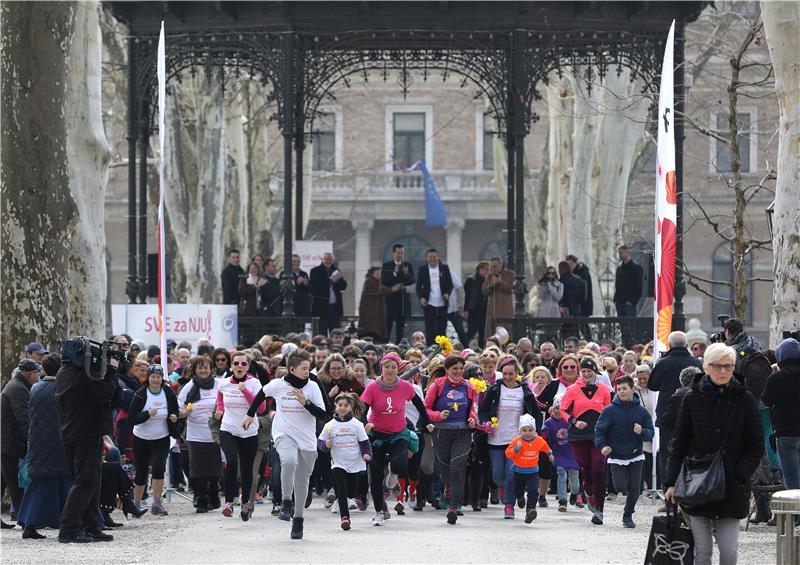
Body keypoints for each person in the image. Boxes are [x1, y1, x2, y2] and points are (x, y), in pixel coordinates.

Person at [664, 343, 763, 565]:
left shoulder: (744, 400)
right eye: (717, 366)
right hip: (697, 484)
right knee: (703, 551)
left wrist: (740, 474)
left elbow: (755, 444)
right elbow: (678, 443)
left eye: (728, 366)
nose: (723, 371)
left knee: (729, 552)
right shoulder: (691, 398)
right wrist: (670, 482)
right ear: (706, 367)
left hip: (731, 486)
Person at [245, 349, 327, 539]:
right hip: (283, 433)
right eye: (304, 369)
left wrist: (306, 403)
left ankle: (298, 519)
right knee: (288, 461)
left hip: (306, 440)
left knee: (301, 481)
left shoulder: (313, 387)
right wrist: (250, 414)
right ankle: (285, 502)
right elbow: (261, 395)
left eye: (308, 368)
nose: (308, 372)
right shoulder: (278, 385)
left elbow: (323, 414)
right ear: (292, 369)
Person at [55, 338, 119, 543]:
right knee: (87, 480)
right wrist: (110, 371)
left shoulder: (65, 371)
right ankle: (69, 529)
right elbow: (103, 395)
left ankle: (92, 525)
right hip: (85, 433)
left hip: (75, 433)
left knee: (92, 480)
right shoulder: (83, 374)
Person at [360, 352, 432, 526]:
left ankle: (393, 472)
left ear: (398, 369)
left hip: (398, 433)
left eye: (393, 367)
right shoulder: (372, 387)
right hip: (377, 434)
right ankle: (379, 512)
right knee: (376, 476)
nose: (390, 370)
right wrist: (364, 424)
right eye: (387, 367)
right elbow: (363, 409)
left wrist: (427, 421)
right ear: (381, 368)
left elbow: (419, 405)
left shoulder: (405, 387)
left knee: (400, 464)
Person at [478, 356, 542, 519]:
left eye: (511, 374)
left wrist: (536, 433)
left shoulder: (525, 391)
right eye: (505, 374)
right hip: (496, 439)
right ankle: (505, 489)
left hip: (516, 440)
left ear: (517, 374)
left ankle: (509, 505)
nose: (507, 377)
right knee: (498, 475)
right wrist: (486, 422)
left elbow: (535, 413)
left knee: (511, 473)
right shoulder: (494, 389)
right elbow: (483, 410)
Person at [15, 354, 71, 539]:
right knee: (63, 484)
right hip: (57, 443)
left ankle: (29, 523)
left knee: (39, 486)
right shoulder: (62, 389)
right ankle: (67, 521)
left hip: (39, 443)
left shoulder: (35, 388)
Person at [594, 376, 654, 528]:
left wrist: (642, 431)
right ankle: (621, 497)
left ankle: (628, 515)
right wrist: (603, 446)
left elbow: (651, 432)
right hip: (616, 455)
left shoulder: (641, 411)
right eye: (618, 389)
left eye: (624, 388)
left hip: (636, 455)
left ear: (632, 390)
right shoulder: (609, 411)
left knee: (635, 489)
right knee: (621, 487)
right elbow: (599, 431)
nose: (621, 392)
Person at [424, 355, 478, 524]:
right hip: (441, 433)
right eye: (454, 369)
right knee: (446, 471)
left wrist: (472, 420)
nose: (458, 372)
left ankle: (454, 507)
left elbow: (472, 410)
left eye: (461, 369)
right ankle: (448, 489)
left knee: (457, 468)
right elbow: (426, 409)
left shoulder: (469, 386)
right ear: (446, 369)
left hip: (462, 433)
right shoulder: (438, 385)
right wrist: (438, 416)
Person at [560, 356, 612, 525]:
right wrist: (574, 422)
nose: (586, 374)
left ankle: (600, 511)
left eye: (589, 371)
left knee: (598, 468)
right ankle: (588, 491)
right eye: (583, 371)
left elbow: (609, 411)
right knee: (585, 467)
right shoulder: (572, 390)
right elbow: (563, 410)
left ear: (595, 372)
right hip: (578, 436)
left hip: (598, 436)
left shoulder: (604, 390)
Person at [216, 351, 265, 521]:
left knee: (246, 469)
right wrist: (220, 409)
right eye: (236, 363)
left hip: (249, 431)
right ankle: (229, 502)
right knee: (231, 462)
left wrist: (245, 392)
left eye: (244, 364)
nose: (239, 367)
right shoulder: (223, 383)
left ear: (248, 366)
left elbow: (261, 408)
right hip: (228, 429)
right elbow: (220, 397)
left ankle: (245, 503)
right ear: (231, 366)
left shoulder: (254, 383)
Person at [648, 331, 703, 480]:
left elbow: (652, 385)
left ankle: (669, 494)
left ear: (670, 345)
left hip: (668, 414)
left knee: (667, 454)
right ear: (686, 345)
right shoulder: (696, 362)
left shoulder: (664, 363)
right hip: (693, 414)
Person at [129, 365, 180, 516]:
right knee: (141, 471)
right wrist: (147, 414)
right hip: (142, 437)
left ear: (162, 378)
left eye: (158, 377)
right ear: (148, 378)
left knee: (159, 466)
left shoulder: (168, 392)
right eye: (153, 377)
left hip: (161, 436)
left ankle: (157, 503)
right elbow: (132, 418)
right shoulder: (141, 394)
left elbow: (175, 410)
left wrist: (174, 416)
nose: (156, 380)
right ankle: (136, 505)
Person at [317, 393, 372, 530]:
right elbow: (320, 442)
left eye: (346, 405)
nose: (342, 408)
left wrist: (367, 454)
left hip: (354, 462)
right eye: (340, 405)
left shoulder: (357, 424)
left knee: (351, 491)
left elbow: (365, 442)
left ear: (351, 407)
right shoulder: (330, 425)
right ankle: (345, 518)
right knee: (341, 490)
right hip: (338, 462)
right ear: (335, 406)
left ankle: (350, 499)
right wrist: (326, 445)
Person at [761, 338, 800, 524]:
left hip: (786, 433)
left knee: (791, 478)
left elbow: (766, 401)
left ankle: (798, 520)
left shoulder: (776, 378)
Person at [176, 355, 222, 513]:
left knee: (215, 467)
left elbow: (227, 401)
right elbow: (178, 410)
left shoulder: (219, 384)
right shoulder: (189, 387)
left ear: (211, 369)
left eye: (206, 367)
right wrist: (185, 412)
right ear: (195, 370)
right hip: (195, 433)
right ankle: (200, 497)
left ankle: (213, 493)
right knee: (197, 468)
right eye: (200, 367)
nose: (203, 370)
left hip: (215, 433)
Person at [1, 358, 37, 525]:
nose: (37, 376)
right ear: (30, 375)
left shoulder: (17, 385)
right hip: (10, 443)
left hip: (7, 441)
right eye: (36, 373)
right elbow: (23, 419)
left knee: (4, 480)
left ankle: (23, 518)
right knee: (14, 483)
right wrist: (32, 439)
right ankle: (24, 519)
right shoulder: (18, 389)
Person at [505, 414, 553, 524]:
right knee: (517, 490)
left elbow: (545, 447)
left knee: (533, 491)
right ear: (520, 431)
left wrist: (550, 454)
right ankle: (520, 498)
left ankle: (530, 510)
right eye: (524, 430)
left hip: (533, 472)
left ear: (535, 431)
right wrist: (516, 449)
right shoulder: (516, 441)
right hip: (518, 471)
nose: (527, 433)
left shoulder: (538, 440)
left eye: (530, 430)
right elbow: (508, 454)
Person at [541, 403, 581, 511]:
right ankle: (562, 501)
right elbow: (543, 437)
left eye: (561, 409)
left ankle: (574, 493)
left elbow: (579, 434)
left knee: (574, 481)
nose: (559, 411)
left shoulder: (571, 421)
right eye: (556, 408)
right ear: (552, 409)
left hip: (572, 454)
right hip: (558, 453)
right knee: (562, 476)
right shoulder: (549, 422)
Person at [415, 248, 453, 345]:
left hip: (442, 302)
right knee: (429, 328)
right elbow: (418, 286)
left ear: (438, 257)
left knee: (442, 327)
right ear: (427, 258)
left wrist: (447, 293)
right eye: (430, 257)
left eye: (434, 257)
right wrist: (421, 298)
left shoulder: (444, 268)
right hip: (429, 303)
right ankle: (430, 348)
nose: (432, 259)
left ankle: (442, 348)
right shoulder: (423, 269)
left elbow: (450, 284)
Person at [381, 243, 416, 343]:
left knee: (400, 328)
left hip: (403, 302)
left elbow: (412, 281)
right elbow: (384, 281)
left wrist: (406, 274)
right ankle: (385, 346)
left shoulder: (408, 266)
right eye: (398, 253)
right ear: (394, 253)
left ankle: (399, 348)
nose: (400, 255)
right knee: (387, 326)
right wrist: (394, 273)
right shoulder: (387, 265)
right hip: (390, 301)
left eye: (402, 253)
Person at [309, 252, 348, 335]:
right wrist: (330, 281)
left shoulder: (336, 270)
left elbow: (343, 286)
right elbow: (314, 287)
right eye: (326, 259)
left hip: (334, 308)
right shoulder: (315, 271)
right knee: (321, 333)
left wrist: (338, 280)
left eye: (330, 259)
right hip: (321, 308)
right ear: (322, 259)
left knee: (336, 333)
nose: (328, 261)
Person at [634, 364, 656, 490]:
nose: (642, 381)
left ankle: (655, 486)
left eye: (645, 378)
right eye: (639, 378)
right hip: (641, 429)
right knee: (643, 460)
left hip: (654, 428)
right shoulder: (634, 391)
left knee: (654, 459)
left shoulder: (655, 390)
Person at [482, 256, 515, 340]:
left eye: (495, 266)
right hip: (492, 309)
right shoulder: (489, 276)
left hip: (506, 308)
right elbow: (484, 291)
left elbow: (512, 289)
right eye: (491, 267)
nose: (493, 269)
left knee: (507, 331)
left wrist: (501, 282)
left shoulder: (510, 274)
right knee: (492, 332)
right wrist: (492, 285)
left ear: (501, 265)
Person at [359, 266, 393, 342]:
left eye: (380, 273)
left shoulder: (376, 282)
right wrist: (392, 289)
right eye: (377, 273)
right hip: (370, 315)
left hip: (375, 314)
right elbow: (379, 290)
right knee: (371, 332)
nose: (379, 275)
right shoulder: (369, 281)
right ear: (372, 274)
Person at [463, 261, 489, 348]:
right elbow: (467, 297)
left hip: (485, 310)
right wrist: (465, 310)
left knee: (483, 331)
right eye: (485, 269)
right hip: (473, 310)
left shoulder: (488, 281)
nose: (487, 272)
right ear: (479, 270)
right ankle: (464, 346)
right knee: (472, 330)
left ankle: (481, 348)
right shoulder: (471, 280)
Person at [613, 245, 642, 316]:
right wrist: (616, 299)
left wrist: (633, 301)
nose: (620, 255)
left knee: (630, 325)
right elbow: (617, 285)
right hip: (619, 303)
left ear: (627, 252)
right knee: (621, 325)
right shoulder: (619, 269)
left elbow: (639, 286)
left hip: (630, 304)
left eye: (621, 253)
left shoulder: (637, 269)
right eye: (619, 253)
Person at [446, 269, 468, 346]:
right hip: (439, 309)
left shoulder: (451, 274)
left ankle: (465, 348)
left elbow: (460, 290)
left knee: (460, 330)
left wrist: (461, 305)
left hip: (453, 308)